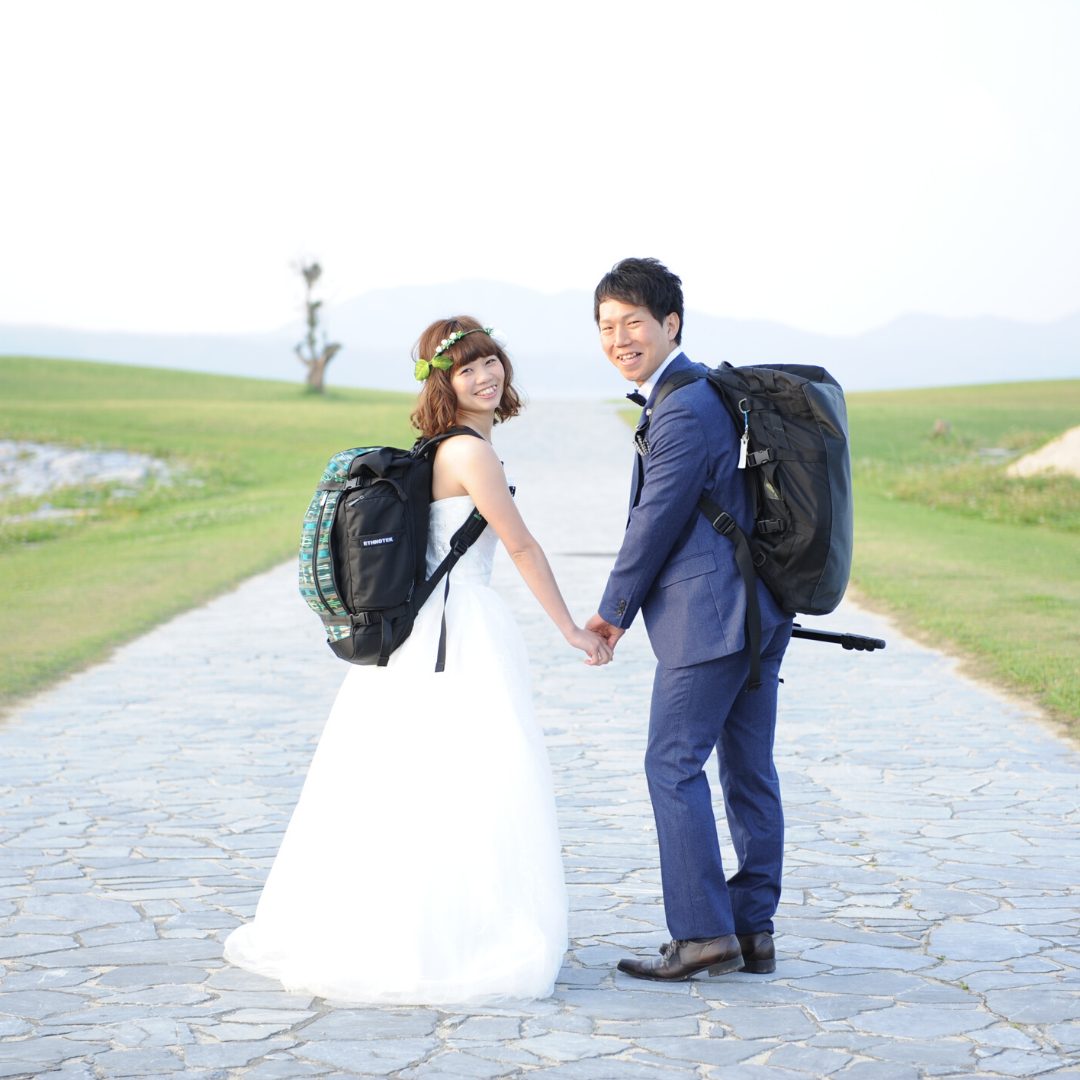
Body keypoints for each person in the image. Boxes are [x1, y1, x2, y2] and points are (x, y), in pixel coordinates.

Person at [224, 317, 611, 1004]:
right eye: (467, 369)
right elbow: (520, 546)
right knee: (469, 780)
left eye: (491, 361)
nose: (485, 376)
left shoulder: (440, 448)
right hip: (456, 631)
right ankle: (453, 939)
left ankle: (426, 928)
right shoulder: (471, 453)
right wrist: (570, 630)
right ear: (443, 383)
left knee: (416, 779)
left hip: (425, 632)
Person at [585, 258, 793, 981]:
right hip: (757, 610)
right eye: (607, 327)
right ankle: (752, 928)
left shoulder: (681, 408)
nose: (619, 339)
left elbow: (656, 520)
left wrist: (611, 613)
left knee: (671, 765)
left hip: (711, 620)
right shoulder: (705, 392)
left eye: (633, 322)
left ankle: (703, 934)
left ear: (671, 323)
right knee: (748, 770)